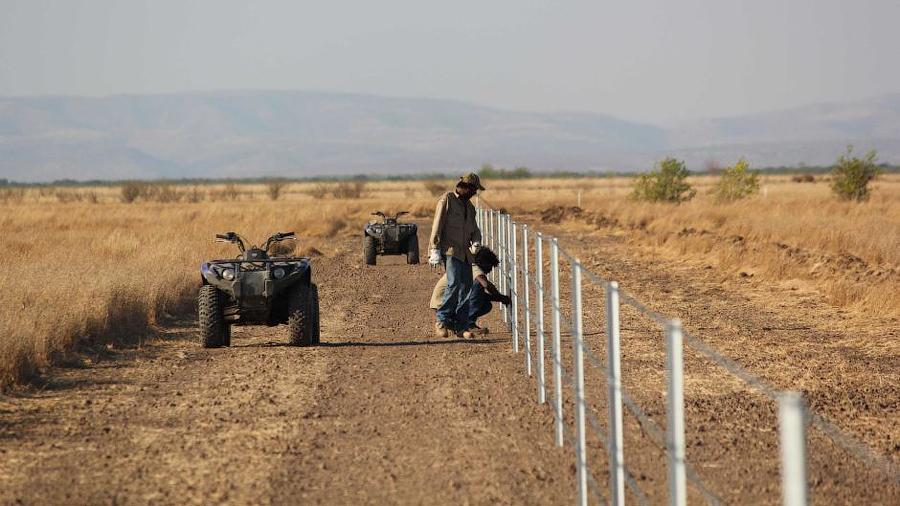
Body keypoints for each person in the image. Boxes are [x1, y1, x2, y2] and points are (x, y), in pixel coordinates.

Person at [428, 172, 484, 337]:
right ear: (467, 188)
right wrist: (434, 248)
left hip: (466, 253)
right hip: (450, 250)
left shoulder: (470, 207)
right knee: (453, 284)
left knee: (466, 288)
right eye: (474, 190)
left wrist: (476, 241)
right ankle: (441, 321)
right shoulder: (447, 200)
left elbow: (475, 229)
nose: (475, 193)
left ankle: (461, 326)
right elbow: (437, 225)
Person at [429, 246, 510, 338]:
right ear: (485, 263)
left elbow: (479, 296)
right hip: (443, 305)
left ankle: (457, 324)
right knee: (478, 286)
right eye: (490, 266)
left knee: (486, 304)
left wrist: (499, 298)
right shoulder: (473, 267)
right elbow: (486, 285)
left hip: (444, 303)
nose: (490, 270)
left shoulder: (469, 266)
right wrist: (501, 297)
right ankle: (467, 323)